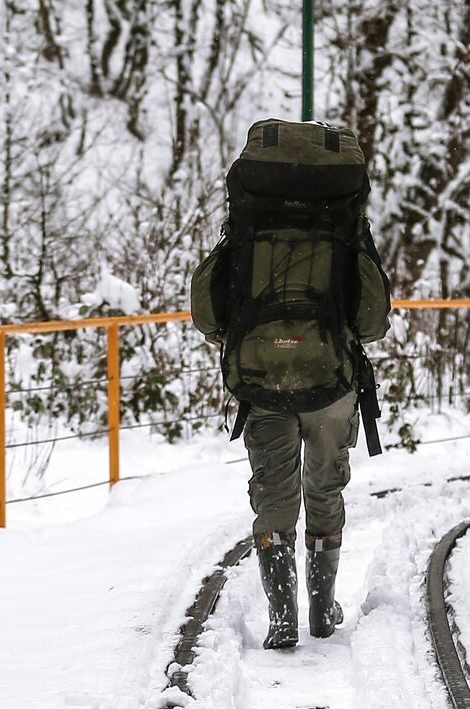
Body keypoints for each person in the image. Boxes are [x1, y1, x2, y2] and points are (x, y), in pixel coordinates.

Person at [189, 119, 391, 650]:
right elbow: (372, 320)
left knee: (274, 497)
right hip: (331, 384)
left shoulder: (249, 231)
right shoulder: (345, 231)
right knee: (325, 488)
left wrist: (250, 339)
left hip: (261, 383)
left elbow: (207, 310)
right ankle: (322, 611)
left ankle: (283, 615)